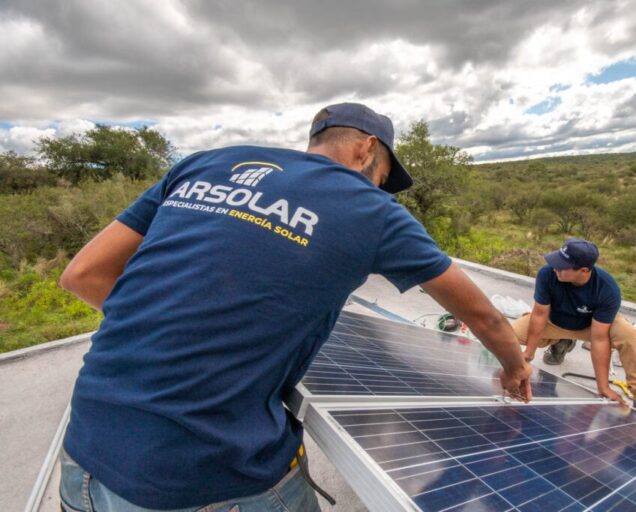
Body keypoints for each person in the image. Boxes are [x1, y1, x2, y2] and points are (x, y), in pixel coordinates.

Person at [58, 102, 533, 512]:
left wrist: (170, 329)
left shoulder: (204, 164)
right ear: (366, 148)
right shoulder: (373, 210)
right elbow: (485, 316)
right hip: (208, 472)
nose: (381, 189)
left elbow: (84, 275)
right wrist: (513, 366)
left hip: (85, 454)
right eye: (384, 176)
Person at [513, 238, 636, 416]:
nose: (555, 268)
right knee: (507, 334)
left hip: (589, 327)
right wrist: (529, 353)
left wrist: (603, 386)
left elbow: (599, 338)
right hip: (553, 322)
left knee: (628, 334)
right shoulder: (547, 274)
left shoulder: (607, 288)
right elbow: (540, 314)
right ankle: (561, 340)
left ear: (583, 270)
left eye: (562, 266)